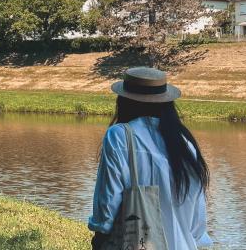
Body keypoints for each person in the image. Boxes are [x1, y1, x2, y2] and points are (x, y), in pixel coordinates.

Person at [89, 67, 213, 249]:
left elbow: (106, 211)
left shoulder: (120, 136)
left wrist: (99, 237)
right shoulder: (185, 144)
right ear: (166, 102)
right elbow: (197, 228)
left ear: (124, 101)